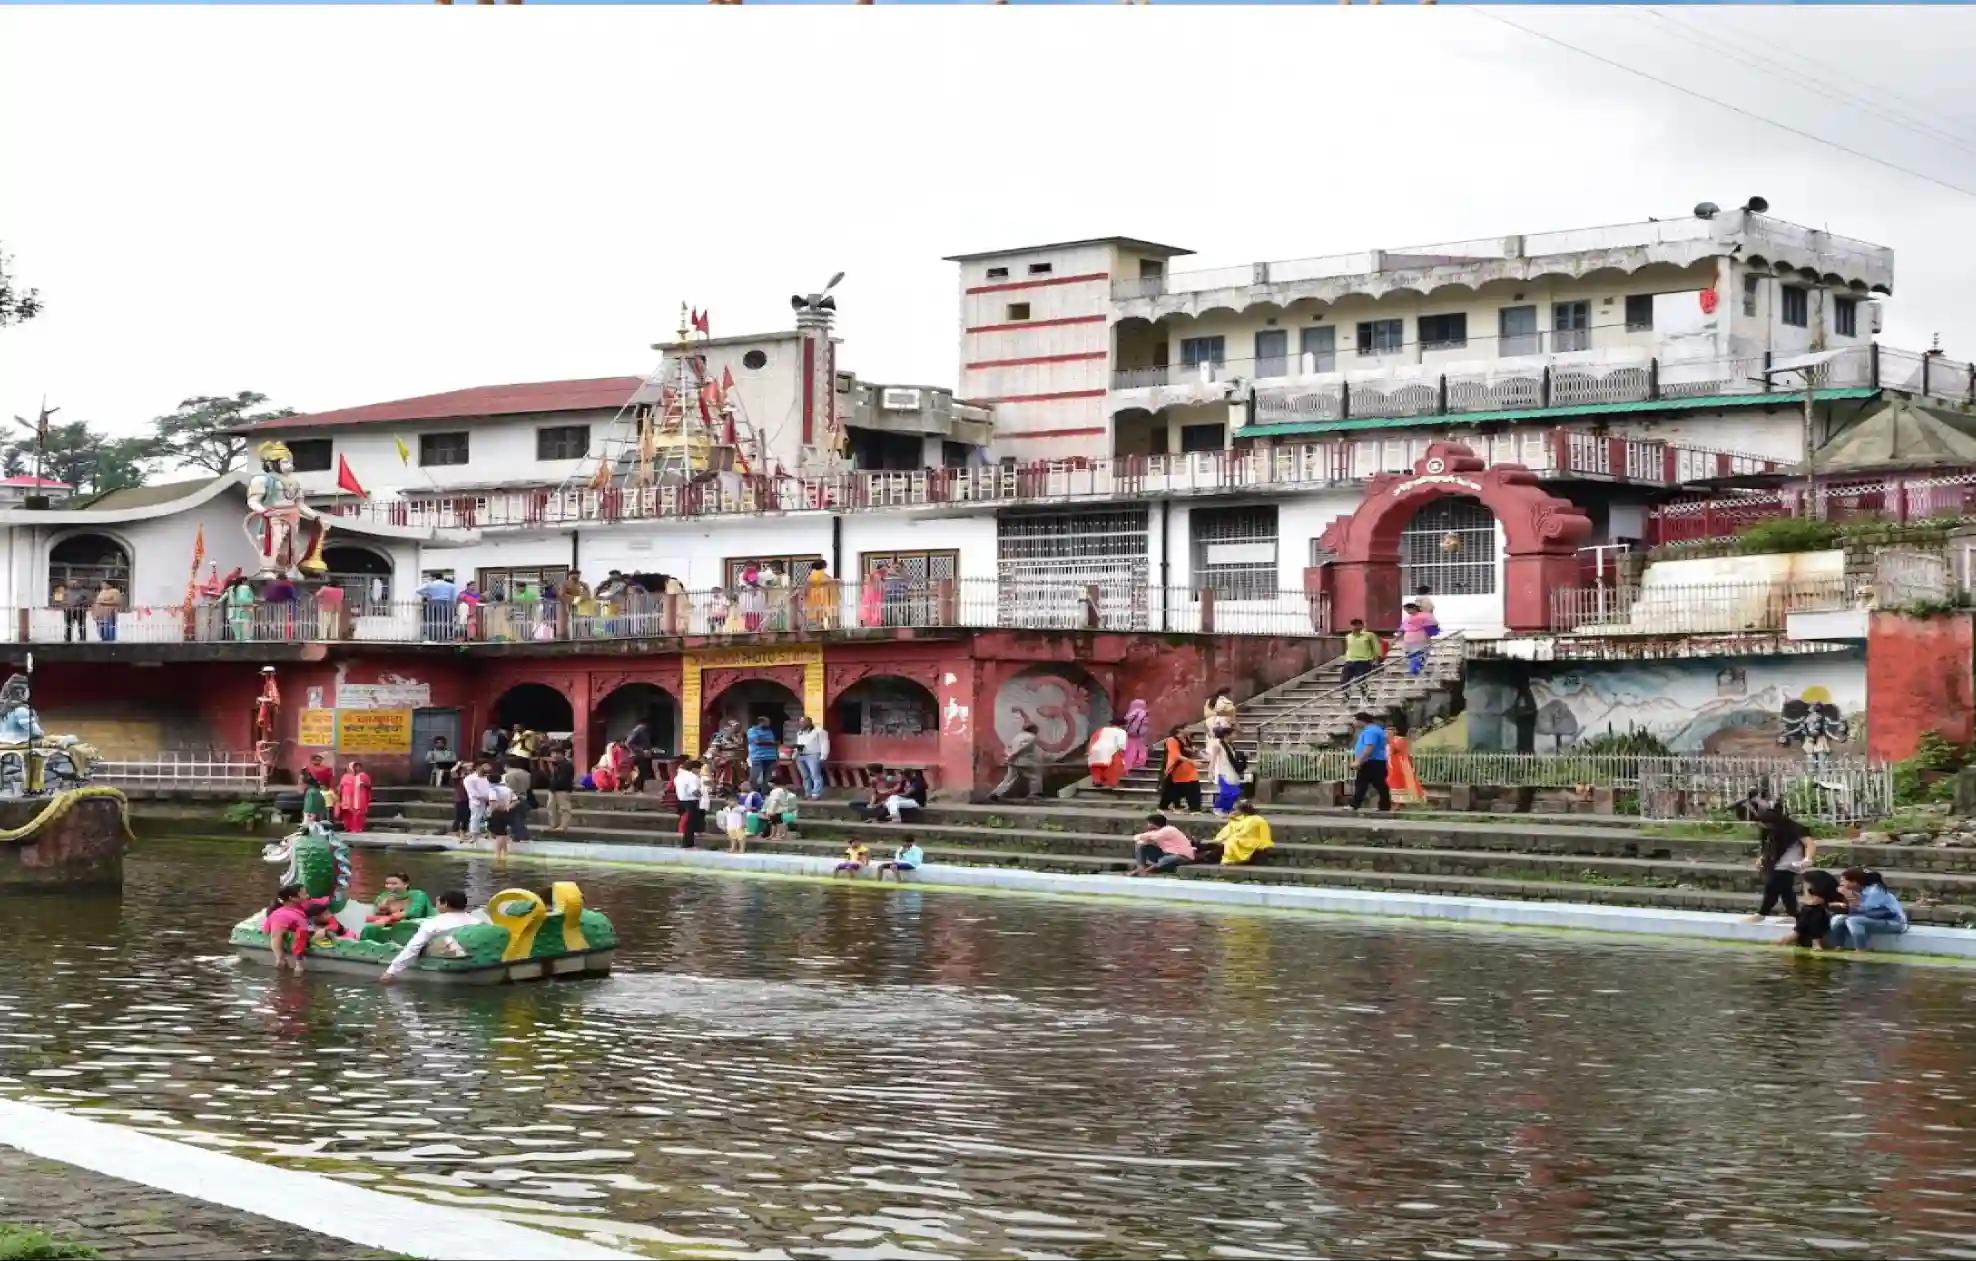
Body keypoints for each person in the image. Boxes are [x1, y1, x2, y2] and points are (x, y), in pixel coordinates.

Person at [379, 890, 478, 984]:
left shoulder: (433, 924)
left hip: (445, 961)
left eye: (438, 901)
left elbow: (413, 948)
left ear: (445, 904)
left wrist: (390, 972)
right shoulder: (476, 921)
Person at [1748, 794, 1814, 922]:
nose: (1763, 826)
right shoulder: (1770, 830)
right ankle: (1793, 914)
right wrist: (1761, 857)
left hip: (1790, 862)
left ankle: (1762, 913)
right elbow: (1768, 845)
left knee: (1772, 886)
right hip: (1777, 862)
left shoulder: (1794, 827)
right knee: (1785, 889)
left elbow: (1809, 843)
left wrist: (1808, 858)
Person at [1828, 869, 1908, 951]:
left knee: (1853, 920)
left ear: (1854, 882)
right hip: (1875, 919)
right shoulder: (1859, 891)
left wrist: (1849, 895)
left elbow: (1862, 910)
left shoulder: (1875, 891)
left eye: (1843, 881)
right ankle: (1839, 946)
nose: (1841, 884)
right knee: (1837, 919)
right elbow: (1854, 911)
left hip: (1895, 922)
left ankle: (1861, 948)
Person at [263, 883, 325, 971]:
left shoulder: (299, 908)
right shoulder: (282, 915)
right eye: (304, 894)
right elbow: (276, 935)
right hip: (290, 936)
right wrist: (280, 957)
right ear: (292, 898)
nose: (307, 896)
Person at [1784, 868, 1841, 949]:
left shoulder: (1824, 896)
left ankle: (1798, 934)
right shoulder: (1812, 896)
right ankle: (1813, 940)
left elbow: (1815, 902)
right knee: (1809, 910)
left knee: (1811, 910)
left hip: (1824, 918)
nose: (1804, 886)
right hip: (1813, 920)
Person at [1205, 800, 1274, 866]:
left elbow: (1244, 834)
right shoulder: (1236, 820)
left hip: (1246, 844)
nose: (1232, 811)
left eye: (1234, 809)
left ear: (1242, 811)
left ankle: (1205, 856)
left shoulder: (1255, 820)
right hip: (1233, 843)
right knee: (1213, 846)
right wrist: (1219, 840)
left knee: (1222, 847)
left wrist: (1224, 840)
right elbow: (1226, 832)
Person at [1128, 811, 1197, 877]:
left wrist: (1145, 838)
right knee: (1141, 846)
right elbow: (1136, 837)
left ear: (1152, 823)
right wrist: (1144, 840)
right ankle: (1140, 868)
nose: (1147, 825)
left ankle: (1145, 871)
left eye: (1148, 823)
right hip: (1166, 854)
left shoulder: (1168, 830)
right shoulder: (1156, 831)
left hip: (1181, 857)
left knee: (1168, 859)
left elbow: (1153, 837)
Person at [1350, 711, 1393, 812]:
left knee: (1365, 784)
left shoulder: (1371, 731)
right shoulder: (1375, 729)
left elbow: (1369, 747)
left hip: (1371, 761)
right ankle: (1384, 806)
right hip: (1375, 761)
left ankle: (1355, 805)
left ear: (1361, 721)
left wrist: (1359, 761)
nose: (1353, 723)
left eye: (1354, 720)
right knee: (1377, 784)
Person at [988, 722, 1040, 802]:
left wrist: (1009, 757)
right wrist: (1013, 756)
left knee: (1008, 779)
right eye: (1036, 729)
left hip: (1013, 761)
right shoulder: (1031, 737)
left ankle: (996, 793)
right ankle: (1034, 794)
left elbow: (1011, 747)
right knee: (1035, 777)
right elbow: (1022, 748)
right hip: (1024, 761)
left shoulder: (1017, 736)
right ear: (1033, 729)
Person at [1157, 727, 1202, 813]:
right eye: (1188, 727)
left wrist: (1205, 756)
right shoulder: (1171, 740)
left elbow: (1193, 751)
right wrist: (1192, 762)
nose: (1191, 729)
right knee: (1172, 790)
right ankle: (1164, 806)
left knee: (1194, 787)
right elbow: (1176, 755)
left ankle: (1195, 809)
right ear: (1180, 730)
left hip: (1188, 769)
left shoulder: (1187, 740)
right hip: (1176, 768)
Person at [366, 872, 434, 927]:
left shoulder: (418, 894)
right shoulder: (383, 896)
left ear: (406, 884)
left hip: (422, 925)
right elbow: (375, 915)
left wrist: (388, 918)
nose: (389, 886)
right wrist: (382, 908)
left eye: (394, 884)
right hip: (394, 926)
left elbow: (414, 912)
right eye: (387, 883)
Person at [1340, 618, 1384, 701]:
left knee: (1360, 680)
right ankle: (1346, 696)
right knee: (1344, 680)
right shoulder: (1348, 636)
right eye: (1353, 625)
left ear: (1362, 626)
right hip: (1349, 661)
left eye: (1357, 625)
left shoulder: (1369, 635)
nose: (1355, 627)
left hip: (1363, 661)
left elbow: (1376, 647)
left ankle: (1366, 696)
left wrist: (1377, 659)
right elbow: (1348, 648)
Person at [1206, 729, 1242, 816]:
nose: (1235, 736)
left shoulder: (1231, 745)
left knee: (1235, 792)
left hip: (1232, 772)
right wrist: (1210, 773)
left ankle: (1227, 809)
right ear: (1227, 735)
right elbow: (1213, 760)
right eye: (1233, 734)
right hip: (1223, 773)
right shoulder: (1217, 745)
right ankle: (1218, 808)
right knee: (1227, 792)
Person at [1387, 723, 1423, 807]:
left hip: (1401, 766)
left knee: (1402, 785)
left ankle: (1400, 804)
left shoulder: (1402, 741)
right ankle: (1399, 804)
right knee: (1399, 785)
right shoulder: (1401, 741)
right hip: (1399, 766)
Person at [415, 572, 458, 642]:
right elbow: (453, 596)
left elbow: (417, 590)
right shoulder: (450, 585)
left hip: (433, 602)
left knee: (432, 620)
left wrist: (427, 595)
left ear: (434, 578)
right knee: (444, 620)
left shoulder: (430, 584)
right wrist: (452, 604)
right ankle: (443, 637)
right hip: (446, 603)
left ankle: (433, 637)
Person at [673, 758, 707, 847]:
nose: (700, 771)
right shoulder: (692, 777)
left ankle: (689, 841)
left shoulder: (678, 776)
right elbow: (694, 791)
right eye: (699, 769)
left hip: (681, 800)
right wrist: (702, 795)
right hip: (691, 801)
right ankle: (688, 843)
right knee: (690, 824)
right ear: (694, 768)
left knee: (688, 822)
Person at [1087, 719, 1128, 791]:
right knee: (1114, 768)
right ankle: (1111, 783)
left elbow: (1092, 740)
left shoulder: (1101, 729)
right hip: (1110, 752)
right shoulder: (1122, 732)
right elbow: (1121, 747)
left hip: (1094, 751)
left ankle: (1097, 781)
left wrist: (1089, 752)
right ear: (1123, 726)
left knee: (1096, 768)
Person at [795, 717, 829, 800]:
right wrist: (795, 753)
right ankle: (808, 793)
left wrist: (823, 756)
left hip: (813, 755)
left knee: (815, 775)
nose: (801, 724)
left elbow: (824, 743)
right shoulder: (800, 732)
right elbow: (799, 744)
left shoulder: (819, 731)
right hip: (801, 755)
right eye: (800, 722)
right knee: (805, 776)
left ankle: (816, 793)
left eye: (803, 722)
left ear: (809, 722)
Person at [501, 757, 534, 846]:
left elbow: (509, 788)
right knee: (520, 818)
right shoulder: (526, 773)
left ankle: (523, 836)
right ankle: (516, 836)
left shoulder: (508, 775)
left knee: (516, 819)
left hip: (514, 798)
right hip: (524, 796)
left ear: (506, 766)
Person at [338, 760, 374, 835]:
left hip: (359, 797)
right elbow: (341, 786)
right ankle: (348, 827)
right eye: (355, 766)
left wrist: (363, 784)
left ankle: (357, 828)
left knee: (359, 812)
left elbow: (369, 785)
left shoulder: (363, 775)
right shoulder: (345, 776)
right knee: (347, 812)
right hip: (347, 798)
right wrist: (339, 796)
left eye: (358, 766)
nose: (357, 768)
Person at [463, 761, 497, 839]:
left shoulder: (488, 777)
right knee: (476, 817)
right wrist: (486, 797)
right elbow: (472, 792)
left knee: (490, 817)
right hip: (476, 801)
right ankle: (474, 835)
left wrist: (491, 797)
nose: (486, 772)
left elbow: (492, 787)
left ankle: (490, 833)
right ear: (478, 768)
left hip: (490, 800)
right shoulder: (469, 779)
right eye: (484, 769)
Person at [746, 716, 780, 792]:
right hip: (758, 757)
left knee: (768, 778)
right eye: (767, 722)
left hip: (770, 757)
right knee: (755, 778)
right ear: (761, 722)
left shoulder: (769, 731)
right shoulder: (752, 731)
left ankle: (765, 793)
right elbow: (757, 742)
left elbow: (773, 744)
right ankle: (753, 793)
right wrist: (773, 743)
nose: (769, 724)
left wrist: (776, 756)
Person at [546, 747, 575, 833]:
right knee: (551, 808)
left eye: (557, 753)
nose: (555, 755)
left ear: (562, 754)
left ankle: (563, 826)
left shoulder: (567, 765)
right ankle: (553, 825)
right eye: (553, 753)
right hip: (552, 789)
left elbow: (564, 779)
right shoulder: (552, 764)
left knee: (564, 809)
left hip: (563, 789)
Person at [1399, 602, 1433, 676]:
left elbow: (1429, 628)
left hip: (1419, 639)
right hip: (1410, 640)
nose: (1407, 611)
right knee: (1414, 656)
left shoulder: (1422, 616)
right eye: (1406, 610)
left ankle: (1416, 669)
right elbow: (1402, 630)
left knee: (1417, 656)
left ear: (1414, 608)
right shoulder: (1407, 618)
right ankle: (1416, 669)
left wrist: (1429, 639)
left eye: (1408, 609)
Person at [1121, 699, 1151, 773]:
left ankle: (1126, 767)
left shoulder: (1131, 713)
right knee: (1142, 750)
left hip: (1130, 735)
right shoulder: (1145, 713)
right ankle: (1139, 763)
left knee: (1130, 751)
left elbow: (1126, 723)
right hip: (1141, 735)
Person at [626, 719, 655, 792]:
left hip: (644, 755)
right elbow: (629, 743)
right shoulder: (637, 731)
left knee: (643, 772)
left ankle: (640, 788)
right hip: (638, 755)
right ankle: (635, 787)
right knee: (639, 771)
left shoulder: (644, 732)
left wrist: (649, 750)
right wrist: (641, 750)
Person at [449, 762, 471, 837]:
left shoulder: (470, 778)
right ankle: (456, 831)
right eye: (466, 769)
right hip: (460, 798)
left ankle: (463, 831)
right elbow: (452, 771)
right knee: (458, 816)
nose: (468, 771)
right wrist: (458, 765)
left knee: (466, 816)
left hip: (469, 798)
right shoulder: (458, 779)